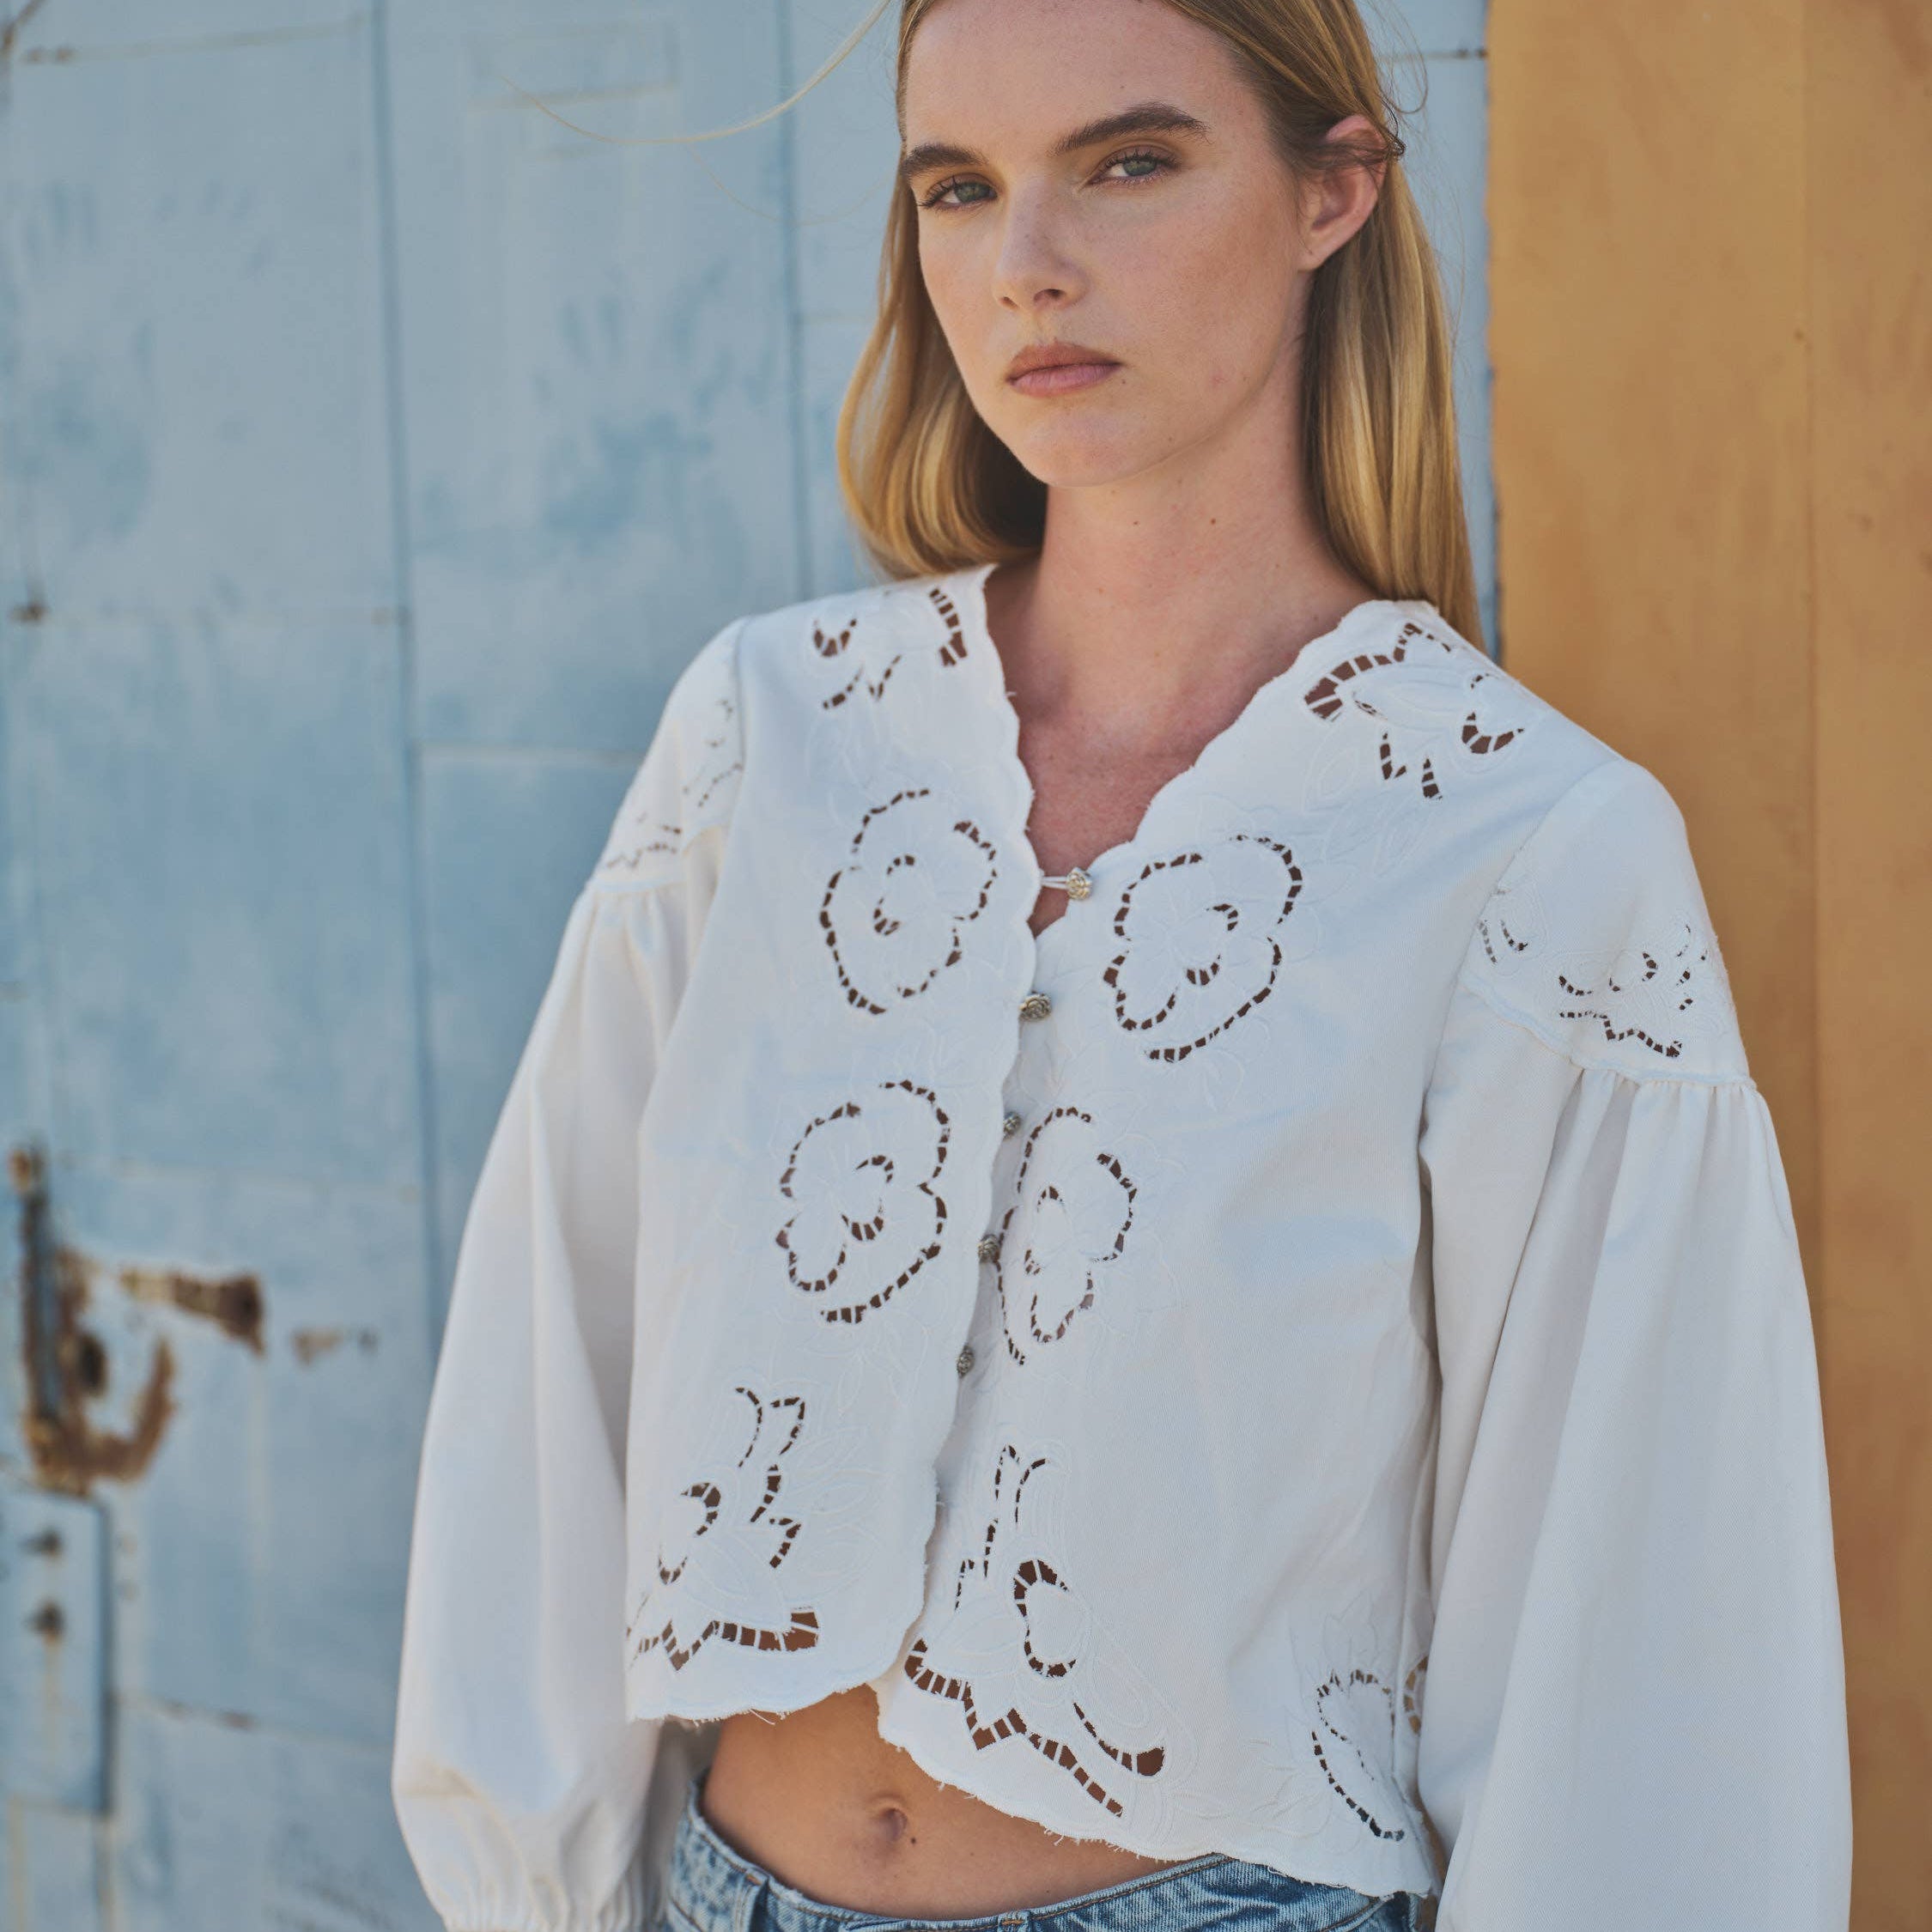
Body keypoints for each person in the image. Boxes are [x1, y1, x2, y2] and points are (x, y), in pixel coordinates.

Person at [389, 0, 1852, 1929]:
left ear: (1334, 191)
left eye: (1131, 163)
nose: (1027, 268)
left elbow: (1641, 1637)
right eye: (958, 189)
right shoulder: (771, 738)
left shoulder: (1527, 854)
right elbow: (545, 1382)